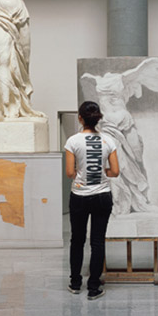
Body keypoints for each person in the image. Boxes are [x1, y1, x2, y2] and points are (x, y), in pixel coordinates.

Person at [79, 57, 158, 215]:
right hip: (108, 124)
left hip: (124, 120)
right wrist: (147, 64)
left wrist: (149, 64)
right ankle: (122, 199)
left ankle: (141, 196)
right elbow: (85, 79)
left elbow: (138, 71)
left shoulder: (121, 80)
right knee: (118, 159)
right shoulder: (100, 81)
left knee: (137, 155)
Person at [65, 101, 119, 300]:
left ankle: (75, 283)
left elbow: (70, 173)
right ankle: (94, 287)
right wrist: (102, 172)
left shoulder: (73, 141)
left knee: (77, 240)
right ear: (98, 119)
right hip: (102, 196)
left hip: (79, 196)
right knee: (97, 241)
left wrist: (81, 174)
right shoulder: (108, 140)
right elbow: (115, 171)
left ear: (80, 118)